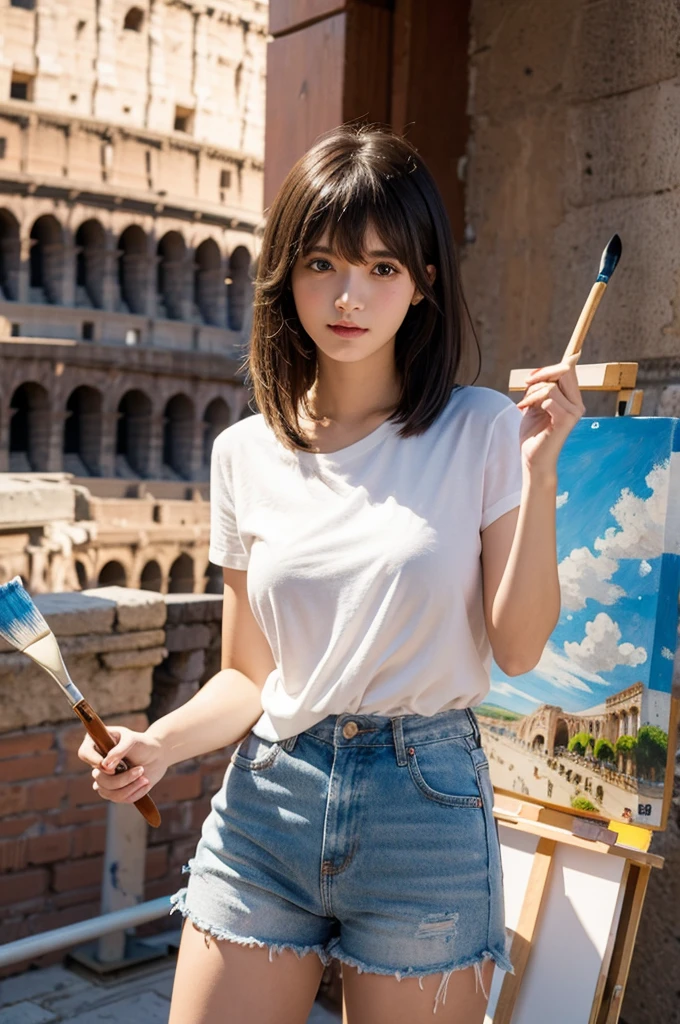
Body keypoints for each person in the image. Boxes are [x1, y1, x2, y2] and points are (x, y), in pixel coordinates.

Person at [78, 124, 584, 1024]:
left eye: (384, 268)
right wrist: (157, 745)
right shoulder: (243, 454)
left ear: (425, 282)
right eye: (323, 262)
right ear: (286, 274)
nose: (350, 295)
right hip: (267, 802)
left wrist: (541, 477)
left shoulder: (482, 430)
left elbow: (517, 644)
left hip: (423, 807)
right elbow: (247, 676)